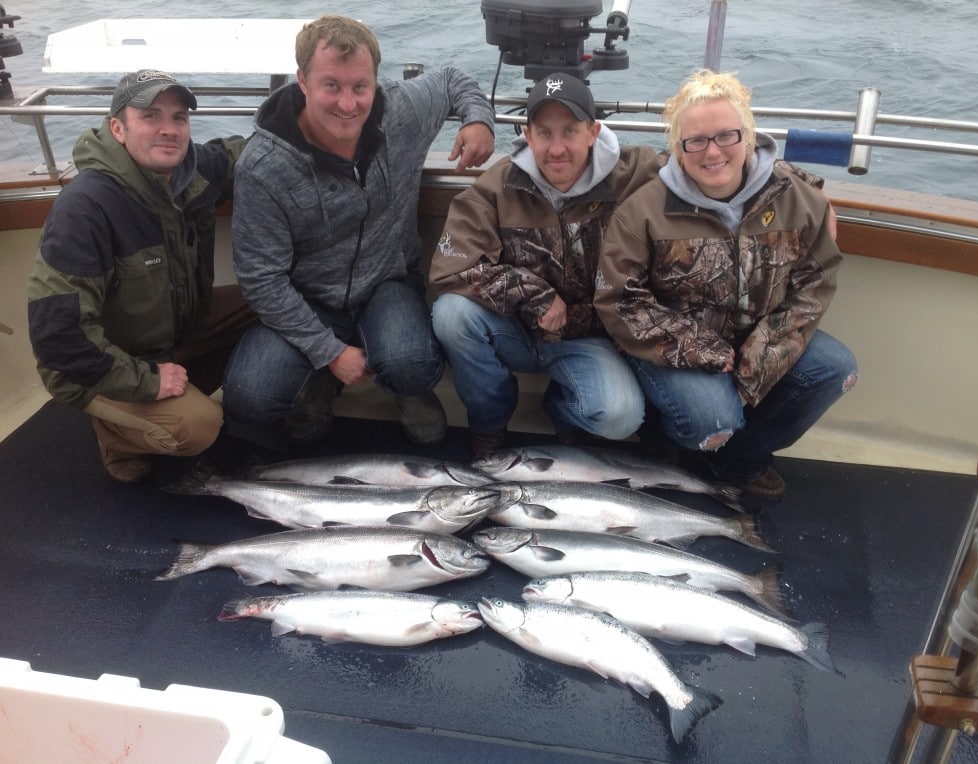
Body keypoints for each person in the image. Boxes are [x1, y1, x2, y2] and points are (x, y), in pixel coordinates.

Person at [222, 15, 495, 452]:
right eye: (331, 85)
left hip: (387, 283)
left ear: (375, 83)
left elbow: (450, 79)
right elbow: (262, 279)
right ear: (303, 82)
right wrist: (328, 352)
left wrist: (478, 118)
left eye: (360, 87)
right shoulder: (262, 166)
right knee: (249, 397)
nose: (348, 104)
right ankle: (321, 383)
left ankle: (409, 392)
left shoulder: (400, 111)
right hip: (306, 297)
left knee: (412, 363)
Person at [594, 69, 858, 499]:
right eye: (695, 140)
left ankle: (740, 460)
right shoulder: (643, 209)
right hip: (674, 348)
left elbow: (816, 280)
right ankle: (672, 439)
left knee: (836, 370)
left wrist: (766, 348)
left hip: (760, 336)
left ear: (749, 136)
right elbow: (621, 301)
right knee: (711, 420)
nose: (712, 152)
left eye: (726, 136)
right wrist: (703, 349)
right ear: (678, 149)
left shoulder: (799, 198)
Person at [26, 70, 251, 484]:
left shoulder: (191, 172)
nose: (169, 130)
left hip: (176, 333)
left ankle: (175, 393)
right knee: (199, 426)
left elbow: (247, 154)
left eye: (179, 117)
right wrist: (147, 382)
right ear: (118, 128)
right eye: (150, 116)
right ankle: (118, 436)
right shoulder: (86, 208)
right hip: (100, 364)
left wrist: (312, 127)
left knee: (264, 301)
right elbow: (58, 337)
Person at [430, 72, 663, 459]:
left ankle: (562, 409)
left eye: (570, 131)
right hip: (516, 331)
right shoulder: (497, 186)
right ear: (527, 133)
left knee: (620, 417)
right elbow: (448, 267)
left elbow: (706, 165)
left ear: (593, 131)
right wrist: (533, 294)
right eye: (544, 133)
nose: (557, 149)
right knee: (451, 315)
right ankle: (489, 422)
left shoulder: (636, 175)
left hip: (589, 340)